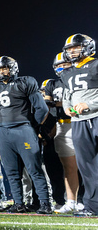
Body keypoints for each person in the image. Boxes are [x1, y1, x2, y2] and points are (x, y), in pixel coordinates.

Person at [0, 56, 51, 214]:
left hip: (23, 129)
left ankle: (45, 204)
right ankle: (18, 203)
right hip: (5, 132)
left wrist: (31, 126)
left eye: (5, 68)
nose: (2, 72)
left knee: (34, 169)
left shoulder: (26, 82)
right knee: (11, 171)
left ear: (13, 68)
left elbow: (41, 109)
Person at [60, 34, 98, 216]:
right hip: (78, 122)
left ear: (87, 47)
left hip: (96, 116)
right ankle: (93, 206)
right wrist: (67, 108)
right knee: (86, 166)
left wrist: (90, 105)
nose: (72, 51)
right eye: (69, 49)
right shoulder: (67, 72)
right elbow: (67, 96)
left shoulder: (96, 64)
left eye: (76, 47)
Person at [44, 52, 79, 214]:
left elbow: (54, 103)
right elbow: (47, 106)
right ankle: (65, 200)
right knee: (63, 167)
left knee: (84, 165)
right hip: (60, 126)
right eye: (58, 65)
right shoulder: (52, 83)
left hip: (79, 123)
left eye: (64, 64)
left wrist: (55, 104)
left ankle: (84, 200)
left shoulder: (75, 79)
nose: (61, 68)